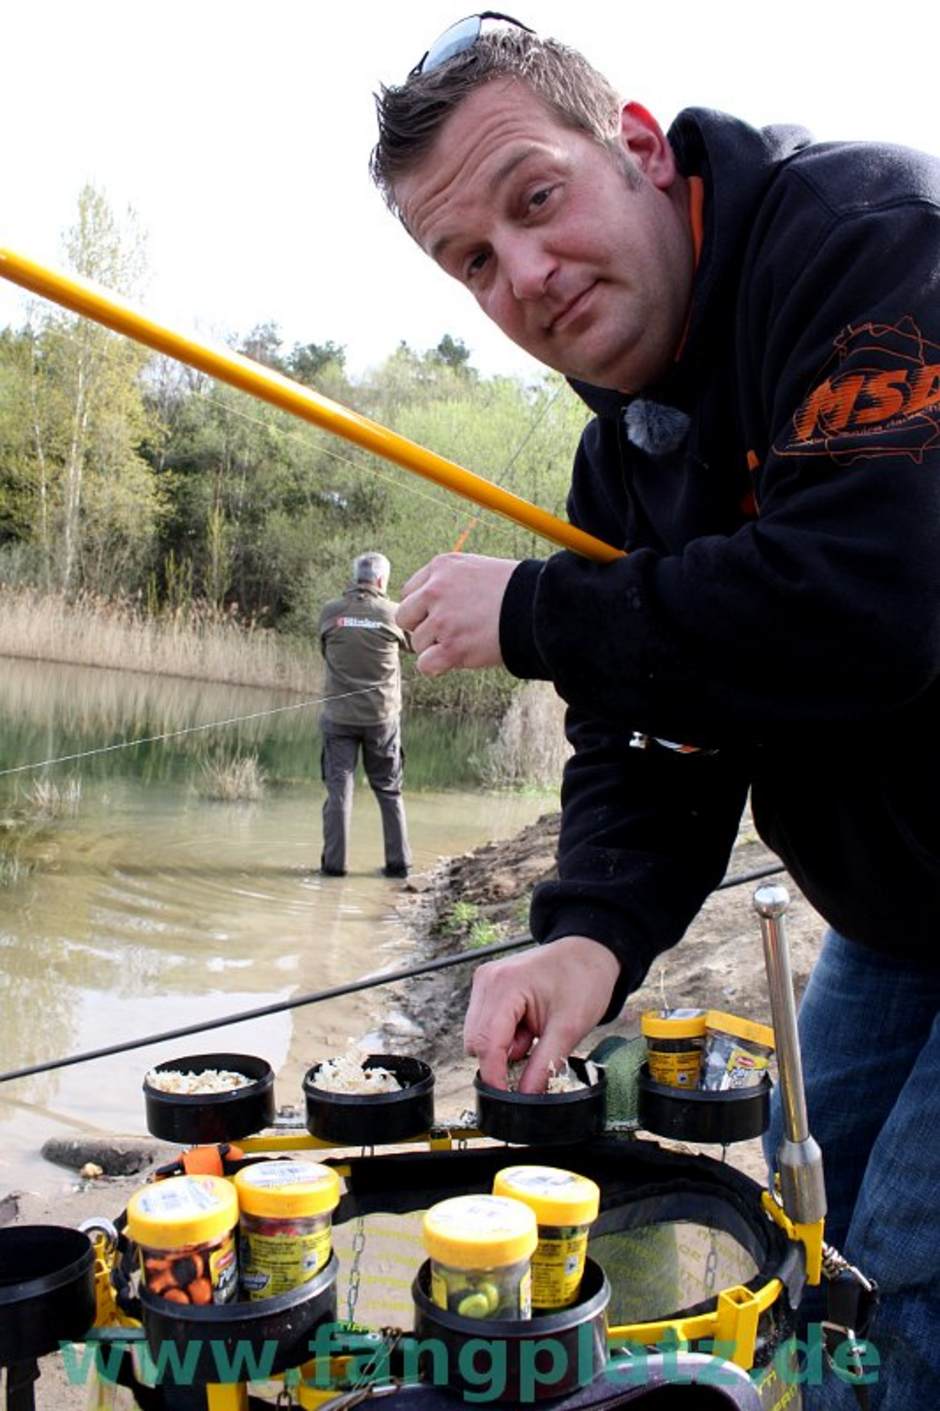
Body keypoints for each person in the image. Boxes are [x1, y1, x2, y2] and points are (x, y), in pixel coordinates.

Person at [369, 15, 940, 1410]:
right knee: (818, 1232)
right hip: (898, 906)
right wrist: (588, 936)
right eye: (474, 262)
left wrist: (535, 612)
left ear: (630, 144)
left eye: (535, 199)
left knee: (914, 1263)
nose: (526, 276)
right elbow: (650, 735)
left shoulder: (871, 240)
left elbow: (872, 599)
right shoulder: (617, 453)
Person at [318, 551, 412, 878]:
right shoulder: (395, 614)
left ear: (356, 577)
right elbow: (415, 644)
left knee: (339, 792)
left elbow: (325, 647)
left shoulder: (331, 612)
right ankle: (398, 866)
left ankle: (334, 868)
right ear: (382, 581)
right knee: (388, 790)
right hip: (382, 719)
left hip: (338, 718)